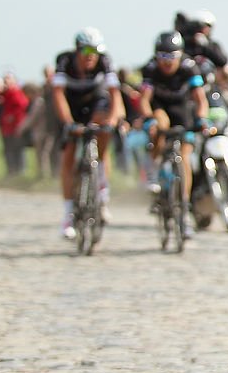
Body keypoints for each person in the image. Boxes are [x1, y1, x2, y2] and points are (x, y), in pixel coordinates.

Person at [52, 28, 122, 239]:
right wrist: (68, 123)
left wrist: (112, 120)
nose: (92, 56)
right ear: (78, 50)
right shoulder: (65, 61)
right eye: (87, 51)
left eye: (96, 51)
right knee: (68, 157)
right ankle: (68, 214)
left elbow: (115, 94)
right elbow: (57, 94)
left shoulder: (104, 62)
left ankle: (102, 191)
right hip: (72, 105)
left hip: (95, 102)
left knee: (103, 134)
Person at [139, 32, 209, 235]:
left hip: (182, 109)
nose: (167, 62)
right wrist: (148, 117)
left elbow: (200, 100)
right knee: (160, 123)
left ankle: (184, 208)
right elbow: (145, 99)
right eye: (163, 57)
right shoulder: (151, 68)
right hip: (160, 107)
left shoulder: (189, 67)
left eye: (172, 57)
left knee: (185, 157)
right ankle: (154, 170)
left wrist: (201, 119)